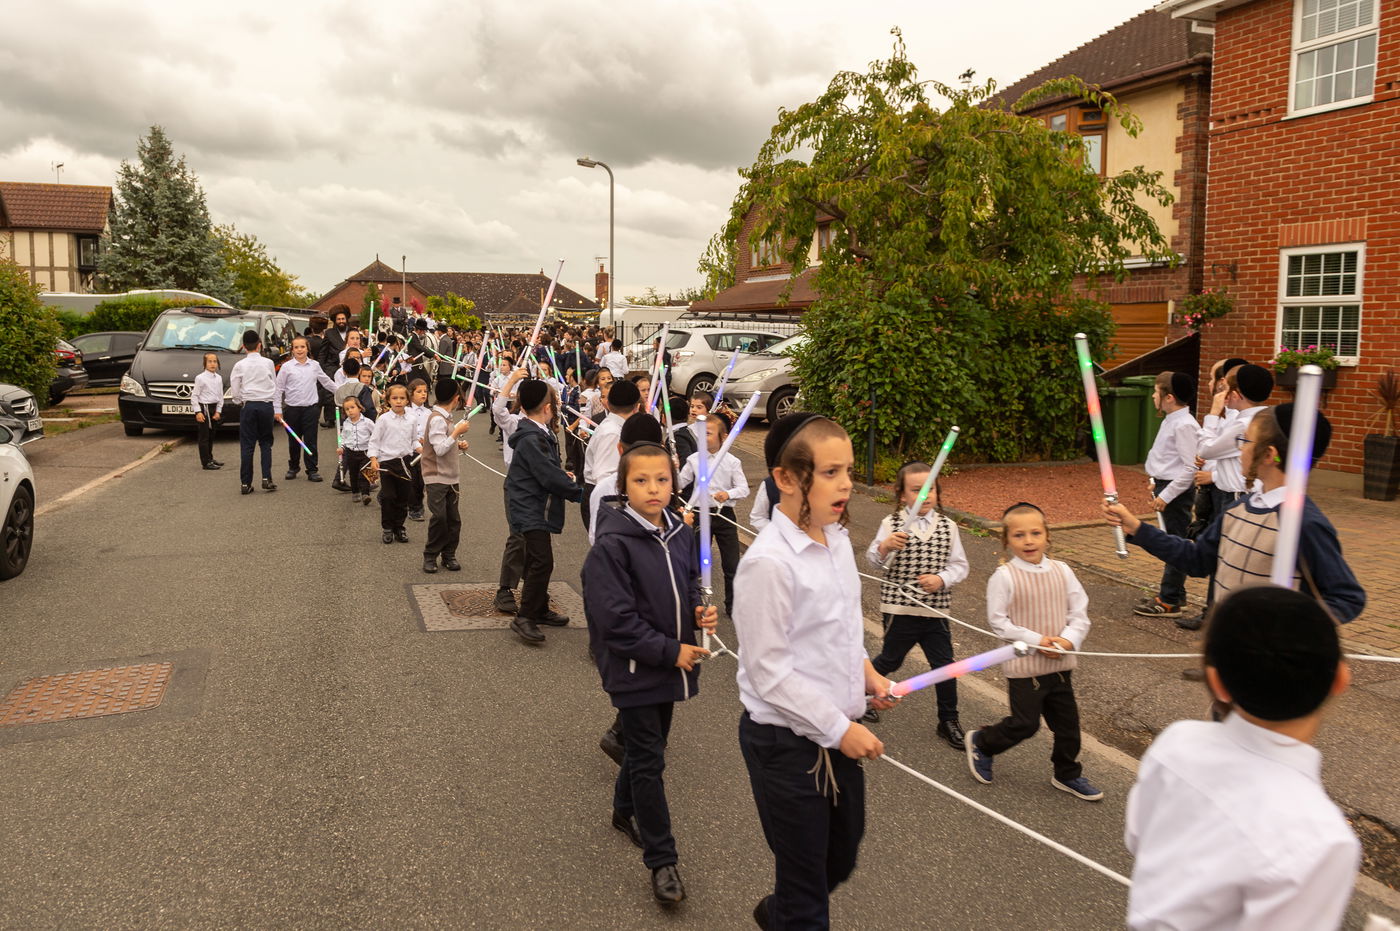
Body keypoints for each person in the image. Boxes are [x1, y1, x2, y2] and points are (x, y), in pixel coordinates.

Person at [732, 412, 898, 930]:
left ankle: (779, 912)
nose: (846, 483)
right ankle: (793, 913)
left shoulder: (838, 539)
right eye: (829, 472)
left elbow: (842, 625)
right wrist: (840, 728)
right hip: (785, 744)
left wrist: (866, 672)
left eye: (846, 470)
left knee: (839, 860)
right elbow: (768, 673)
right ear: (785, 478)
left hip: (837, 733)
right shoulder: (769, 564)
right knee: (809, 896)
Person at [1124, 586, 1359, 930]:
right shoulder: (1322, 840)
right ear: (1340, 678)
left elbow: (1137, 837)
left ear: (1217, 682)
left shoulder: (1177, 742)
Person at [582, 441, 718, 907]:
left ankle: (623, 811)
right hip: (637, 668)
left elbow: (688, 585)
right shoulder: (612, 546)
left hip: (669, 662)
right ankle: (662, 860)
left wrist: (700, 611)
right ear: (623, 487)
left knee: (649, 749)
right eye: (641, 480)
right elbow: (615, 621)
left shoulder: (679, 533)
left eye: (662, 479)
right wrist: (670, 650)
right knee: (649, 758)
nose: (653, 488)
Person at [1105, 405, 1365, 623]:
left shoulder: (1303, 524)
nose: (1240, 449)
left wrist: (1291, 629)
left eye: (1245, 441)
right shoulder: (1239, 509)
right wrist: (1138, 528)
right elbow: (1196, 560)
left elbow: (1346, 597)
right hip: (1232, 657)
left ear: (1269, 455)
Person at [965, 502, 1102, 801]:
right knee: (1025, 724)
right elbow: (998, 622)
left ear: (1047, 535)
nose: (1028, 541)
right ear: (1006, 540)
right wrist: (1040, 640)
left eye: (1035, 533)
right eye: (1019, 535)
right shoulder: (1004, 577)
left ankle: (1067, 773)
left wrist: (1067, 641)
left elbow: (1079, 614)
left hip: (1060, 665)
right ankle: (984, 742)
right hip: (1025, 667)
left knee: (1068, 727)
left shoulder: (1063, 571)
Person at [866, 461, 969, 748]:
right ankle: (859, 697)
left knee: (945, 665)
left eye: (930, 489)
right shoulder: (891, 524)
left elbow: (960, 566)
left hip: (936, 610)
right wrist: (885, 547)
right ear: (902, 495)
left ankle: (948, 720)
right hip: (900, 610)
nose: (924, 496)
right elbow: (874, 562)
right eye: (916, 490)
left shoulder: (949, 527)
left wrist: (942, 578)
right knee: (891, 659)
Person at [505, 378, 583, 644]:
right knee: (542, 561)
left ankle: (537, 608)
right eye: (556, 402)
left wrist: (563, 474)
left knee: (536, 560)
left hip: (534, 504)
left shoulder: (537, 432)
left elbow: (548, 470)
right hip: (529, 506)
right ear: (548, 407)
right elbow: (547, 475)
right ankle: (525, 616)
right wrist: (581, 493)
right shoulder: (531, 437)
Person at [1133, 371, 1199, 619]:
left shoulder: (1185, 425)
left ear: (1169, 397)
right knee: (1173, 540)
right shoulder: (1171, 419)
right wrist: (1156, 481)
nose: (1152, 395)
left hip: (1176, 493)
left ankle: (1170, 599)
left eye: (1155, 391)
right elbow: (1168, 458)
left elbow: (1191, 468)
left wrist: (1167, 495)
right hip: (1165, 486)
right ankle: (1176, 594)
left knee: (1174, 544)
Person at [678, 411, 748, 616]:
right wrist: (672, 470)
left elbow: (743, 489)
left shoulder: (732, 461)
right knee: (698, 563)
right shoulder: (693, 459)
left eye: (708, 433)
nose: (703, 437)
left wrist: (728, 494)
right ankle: (696, 605)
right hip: (700, 514)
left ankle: (733, 606)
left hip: (724, 516)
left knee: (731, 564)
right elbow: (680, 483)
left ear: (723, 436)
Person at [420, 381, 470, 574]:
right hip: (436, 476)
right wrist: (457, 432)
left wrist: (459, 443)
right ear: (456, 399)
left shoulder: (446, 418)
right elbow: (439, 449)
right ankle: (430, 555)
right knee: (439, 517)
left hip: (451, 476)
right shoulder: (437, 419)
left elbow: (444, 444)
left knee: (453, 519)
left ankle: (449, 555)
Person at [492, 367, 531, 615]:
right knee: (518, 536)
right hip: (517, 484)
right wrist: (512, 379)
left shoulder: (546, 428)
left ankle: (534, 587)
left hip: (538, 488)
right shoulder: (514, 422)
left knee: (537, 537)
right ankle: (505, 589)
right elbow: (498, 410)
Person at [273, 336, 338, 482]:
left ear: (307, 348)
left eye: (302, 347)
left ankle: (312, 469)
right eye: (296, 347)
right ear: (292, 350)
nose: (300, 350)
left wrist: (340, 392)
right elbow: (278, 389)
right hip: (292, 410)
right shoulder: (286, 367)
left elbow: (326, 382)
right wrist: (277, 410)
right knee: (294, 441)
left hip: (311, 409)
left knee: (310, 440)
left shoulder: (314, 365)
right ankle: (293, 467)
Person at [581, 379, 641, 530]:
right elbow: (605, 479)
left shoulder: (615, 427)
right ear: (637, 407)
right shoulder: (612, 433)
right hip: (606, 501)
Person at [368, 383, 418, 544]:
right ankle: (387, 527)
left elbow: (414, 440)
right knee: (389, 496)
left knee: (403, 497)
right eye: (394, 398)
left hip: (405, 462)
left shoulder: (412, 419)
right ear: (388, 400)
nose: (398, 401)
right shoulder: (383, 420)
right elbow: (374, 441)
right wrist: (373, 459)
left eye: (402, 398)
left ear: (407, 400)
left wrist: (423, 450)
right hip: (387, 463)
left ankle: (399, 527)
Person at [229, 329, 278, 495]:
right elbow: (274, 384)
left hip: (249, 405)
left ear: (243, 346)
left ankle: (245, 482)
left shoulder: (239, 365)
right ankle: (266, 478)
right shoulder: (268, 363)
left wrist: (239, 401)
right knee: (265, 443)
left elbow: (235, 389)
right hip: (265, 405)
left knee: (247, 445)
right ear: (260, 345)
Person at [191, 352, 224, 471]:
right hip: (204, 409)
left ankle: (210, 457)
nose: (212, 364)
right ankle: (205, 462)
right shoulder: (200, 378)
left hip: (213, 408)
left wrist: (218, 411)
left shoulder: (219, 378)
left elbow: (220, 396)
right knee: (204, 436)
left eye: (215, 361)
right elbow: (194, 396)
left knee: (211, 435)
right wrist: (198, 412)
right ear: (204, 364)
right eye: (210, 361)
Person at [339, 395, 374, 505]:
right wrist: (341, 446)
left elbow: (375, 435)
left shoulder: (367, 422)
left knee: (364, 474)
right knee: (353, 474)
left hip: (365, 452)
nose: (350, 411)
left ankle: (365, 494)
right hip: (351, 452)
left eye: (352, 407)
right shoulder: (346, 423)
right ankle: (355, 491)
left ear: (359, 408)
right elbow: (343, 437)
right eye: (347, 409)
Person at [405, 379, 431, 522]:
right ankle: (413, 507)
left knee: (421, 481)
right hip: (408, 450)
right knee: (410, 480)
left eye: (425, 391)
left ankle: (417, 506)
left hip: (423, 451)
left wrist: (426, 440)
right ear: (411, 394)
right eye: (419, 391)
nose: (423, 394)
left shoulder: (429, 412)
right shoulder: (406, 411)